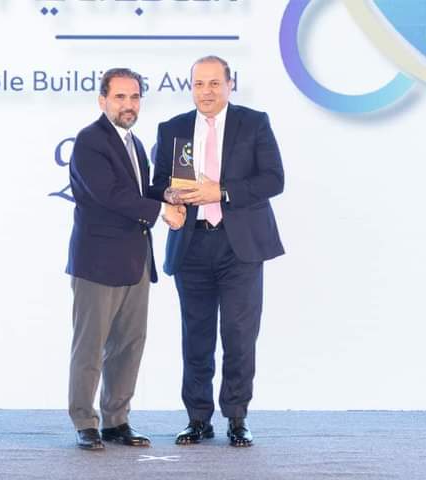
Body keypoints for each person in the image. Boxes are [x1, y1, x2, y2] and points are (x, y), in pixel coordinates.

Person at [149, 56, 285, 447]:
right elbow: (158, 184)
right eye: (198, 84)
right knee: (196, 337)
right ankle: (197, 419)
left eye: (213, 84)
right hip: (191, 246)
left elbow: (273, 180)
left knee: (240, 335)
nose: (206, 92)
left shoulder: (253, 123)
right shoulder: (173, 128)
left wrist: (220, 192)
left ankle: (237, 417)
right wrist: (171, 196)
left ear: (229, 85)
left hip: (239, 246)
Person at [66, 67, 186, 451]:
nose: (128, 104)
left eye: (134, 97)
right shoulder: (90, 141)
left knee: (129, 345)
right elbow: (109, 195)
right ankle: (85, 422)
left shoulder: (134, 143)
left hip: (135, 261)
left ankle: (116, 421)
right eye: (120, 97)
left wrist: (168, 195)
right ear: (102, 100)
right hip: (98, 263)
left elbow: (139, 192)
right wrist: (162, 211)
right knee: (90, 347)